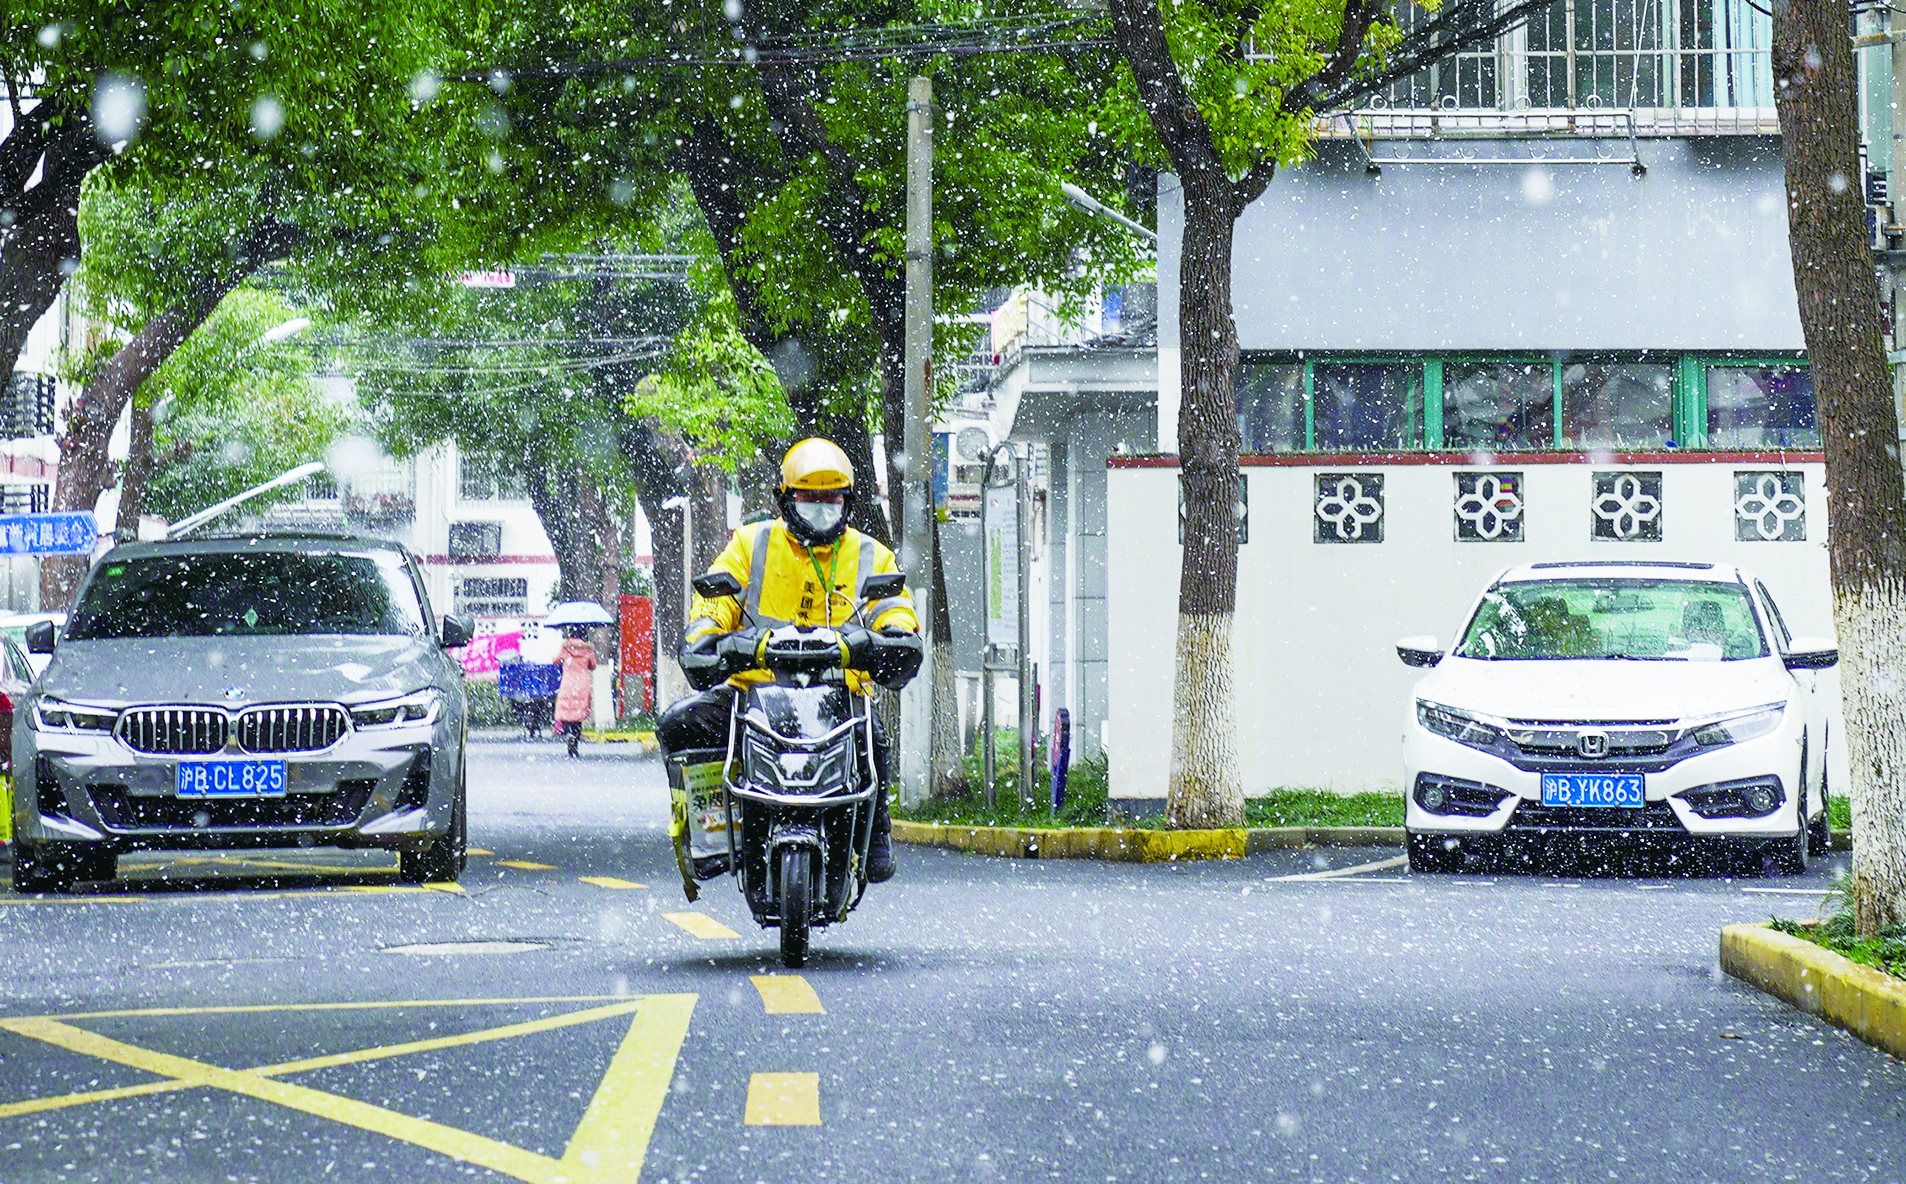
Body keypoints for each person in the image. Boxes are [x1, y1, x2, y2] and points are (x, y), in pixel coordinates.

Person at [657, 437, 918, 882]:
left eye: (831, 499)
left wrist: (887, 638)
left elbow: (896, 612)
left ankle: (875, 833)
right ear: (785, 499)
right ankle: (714, 831)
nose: (821, 508)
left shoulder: (873, 555)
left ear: (847, 501)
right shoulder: (749, 544)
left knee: (872, 734)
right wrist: (709, 636)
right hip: (752, 694)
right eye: (808, 498)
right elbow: (713, 604)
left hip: (840, 697)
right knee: (679, 724)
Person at [553, 625, 596, 758]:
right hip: (582, 685)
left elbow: (555, 661)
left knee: (565, 713)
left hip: (568, 683)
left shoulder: (565, 648)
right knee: (578, 715)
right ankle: (575, 746)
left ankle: (568, 734)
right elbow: (593, 665)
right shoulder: (588, 650)